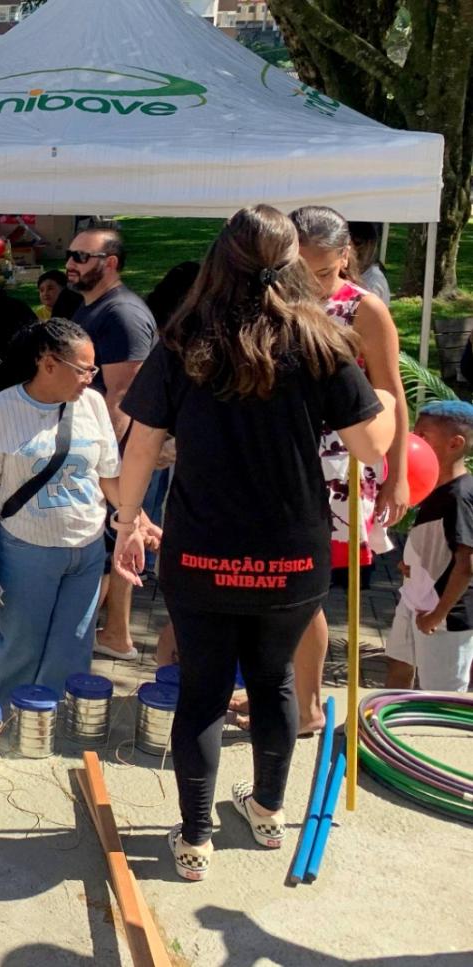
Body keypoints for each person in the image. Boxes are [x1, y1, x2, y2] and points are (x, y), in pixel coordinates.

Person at [110, 204, 396, 880]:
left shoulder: (184, 340)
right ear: (293, 262)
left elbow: (140, 444)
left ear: (219, 260)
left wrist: (127, 521)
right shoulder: (320, 340)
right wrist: (381, 393)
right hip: (291, 554)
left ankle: (194, 836)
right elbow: (372, 446)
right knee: (274, 683)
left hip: (202, 550)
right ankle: (267, 811)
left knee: (203, 692)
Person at [0, 318, 129, 705]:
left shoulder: (94, 404)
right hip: (27, 551)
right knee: (21, 647)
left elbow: (107, 474)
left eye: (94, 369)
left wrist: (135, 517)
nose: (91, 377)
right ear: (48, 363)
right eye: (84, 369)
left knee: (72, 649)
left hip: (87, 551)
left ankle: (45, 728)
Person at [290, 205, 410, 735]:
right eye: (299, 268)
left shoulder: (363, 307)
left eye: (321, 271)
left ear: (346, 256)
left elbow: (392, 392)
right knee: (277, 587)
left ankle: (308, 704)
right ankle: (288, 691)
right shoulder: (278, 297)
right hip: (283, 454)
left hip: (341, 461)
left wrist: (398, 473)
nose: (312, 282)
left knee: (306, 590)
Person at [65, 221, 158, 663]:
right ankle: (116, 634)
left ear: (111, 263)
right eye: (70, 255)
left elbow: (122, 397)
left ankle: (85, 632)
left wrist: (107, 467)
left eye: (82, 257)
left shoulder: (121, 314)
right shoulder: (93, 307)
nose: (70, 264)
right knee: (120, 541)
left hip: (115, 454)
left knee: (108, 544)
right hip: (105, 452)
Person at [386, 401, 473, 693]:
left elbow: (467, 563)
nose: (413, 442)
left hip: (445, 615)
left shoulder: (460, 496)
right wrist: (414, 564)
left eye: (422, 436)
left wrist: (438, 614)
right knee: (399, 665)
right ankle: (385, 725)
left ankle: (434, 737)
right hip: (413, 599)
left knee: (442, 692)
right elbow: (437, 543)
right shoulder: (433, 487)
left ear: (455, 443)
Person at [349, 221, 392, 304]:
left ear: (371, 245)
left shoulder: (372, 282)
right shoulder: (358, 275)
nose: (353, 250)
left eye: (358, 244)